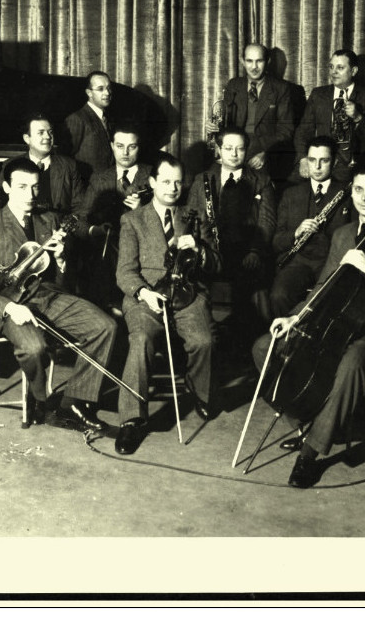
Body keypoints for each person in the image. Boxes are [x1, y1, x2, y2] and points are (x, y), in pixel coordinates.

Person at [252, 164, 365, 488]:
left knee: (353, 359)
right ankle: (309, 420)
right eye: (358, 190)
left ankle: (311, 451)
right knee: (266, 346)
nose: (364, 197)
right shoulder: (344, 234)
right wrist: (295, 317)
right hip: (342, 322)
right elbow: (323, 286)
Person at [0, 159, 118, 431]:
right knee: (34, 348)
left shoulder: (49, 220)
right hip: (10, 303)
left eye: (35, 188)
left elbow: (61, 281)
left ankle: (75, 401)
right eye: (22, 187)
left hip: (49, 297)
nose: (30, 195)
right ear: (8, 187)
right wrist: (10, 309)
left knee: (105, 326)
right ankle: (40, 399)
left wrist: (61, 260)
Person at [115, 153, 220, 456]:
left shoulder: (194, 216)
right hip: (146, 295)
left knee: (204, 340)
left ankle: (197, 389)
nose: (172, 188)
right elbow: (124, 271)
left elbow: (216, 264)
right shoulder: (132, 220)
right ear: (151, 182)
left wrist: (199, 249)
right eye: (165, 181)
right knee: (142, 339)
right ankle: (132, 419)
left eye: (177, 182)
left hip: (187, 294)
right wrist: (143, 293)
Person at [187, 126, 277, 340]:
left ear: (247, 150)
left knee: (256, 291)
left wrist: (255, 251)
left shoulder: (261, 180)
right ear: (218, 149)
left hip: (246, 252)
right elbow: (193, 219)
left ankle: (257, 346)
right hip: (210, 251)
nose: (234, 154)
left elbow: (266, 223)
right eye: (228, 148)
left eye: (240, 149)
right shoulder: (202, 179)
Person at [269, 135, 352, 318]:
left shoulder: (348, 193)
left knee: (334, 302)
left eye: (324, 160)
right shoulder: (291, 194)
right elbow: (276, 241)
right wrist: (296, 233)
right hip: (298, 262)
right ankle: (286, 342)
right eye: (312, 160)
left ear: (335, 161)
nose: (318, 166)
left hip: (333, 262)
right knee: (279, 295)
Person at [79, 122, 154, 310]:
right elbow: (81, 217)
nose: (125, 153)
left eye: (132, 146)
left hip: (143, 252)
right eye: (120, 146)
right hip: (106, 254)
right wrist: (94, 230)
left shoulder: (154, 175)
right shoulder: (99, 177)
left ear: (140, 146)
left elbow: (166, 218)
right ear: (112, 146)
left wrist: (142, 209)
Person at [206, 43, 296, 183]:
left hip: (263, 149)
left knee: (257, 183)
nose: (254, 67)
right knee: (212, 179)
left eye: (259, 61)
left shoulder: (281, 88)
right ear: (243, 61)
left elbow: (286, 130)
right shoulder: (234, 85)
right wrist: (214, 128)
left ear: (268, 62)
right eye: (249, 61)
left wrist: (266, 153)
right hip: (234, 146)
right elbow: (225, 122)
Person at [292, 49, 365, 183]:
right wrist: (303, 158)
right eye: (331, 67)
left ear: (353, 71)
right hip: (321, 161)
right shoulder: (318, 95)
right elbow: (303, 132)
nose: (333, 72)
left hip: (352, 166)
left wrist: (358, 117)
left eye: (340, 68)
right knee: (291, 187)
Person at [0, 114, 86, 220]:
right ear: (27, 139)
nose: (48, 137)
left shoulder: (69, 166)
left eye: (50, 132)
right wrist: (9, 226)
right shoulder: (11, 164)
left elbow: (79, 207)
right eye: (41, 133)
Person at [61, 70, 115, 181]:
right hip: (86, 187)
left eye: (109, 88)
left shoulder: (108, 119)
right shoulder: (77, 119)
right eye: (100, 89)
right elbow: (64, 159)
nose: (107, 93)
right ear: (89, 93)